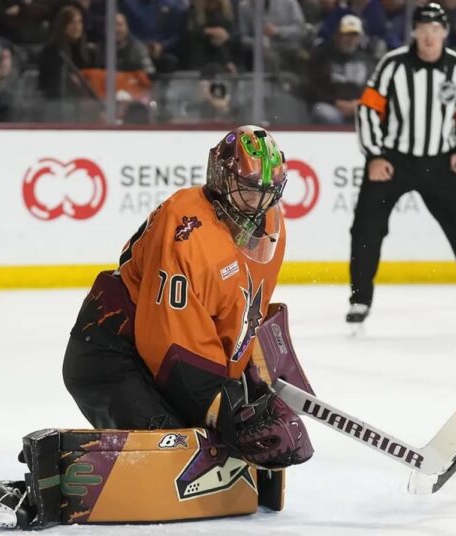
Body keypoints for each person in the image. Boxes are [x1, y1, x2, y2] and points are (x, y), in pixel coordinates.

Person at [62, 125, 313, 468]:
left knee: (212, 455)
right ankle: (55, 474)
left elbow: (239, 312)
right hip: (112, 353)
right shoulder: (185, 228)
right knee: (176, 458)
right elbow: (167, 342)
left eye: (268, 193)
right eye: (248, 191)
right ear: (221, 180)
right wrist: (231, 412)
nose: (258, 204)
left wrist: (253, 378)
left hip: (167, 358)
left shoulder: (269, 226)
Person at [348, 2, 456, 324]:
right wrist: (375, 155)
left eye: (435, 30)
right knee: (366, 227)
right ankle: (360, 299)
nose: (429, 36)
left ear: (445, 33)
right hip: (394, 161)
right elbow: (368, 109)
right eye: (423, 29)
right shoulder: (392, 64)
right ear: (414, 31)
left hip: (442, 162)